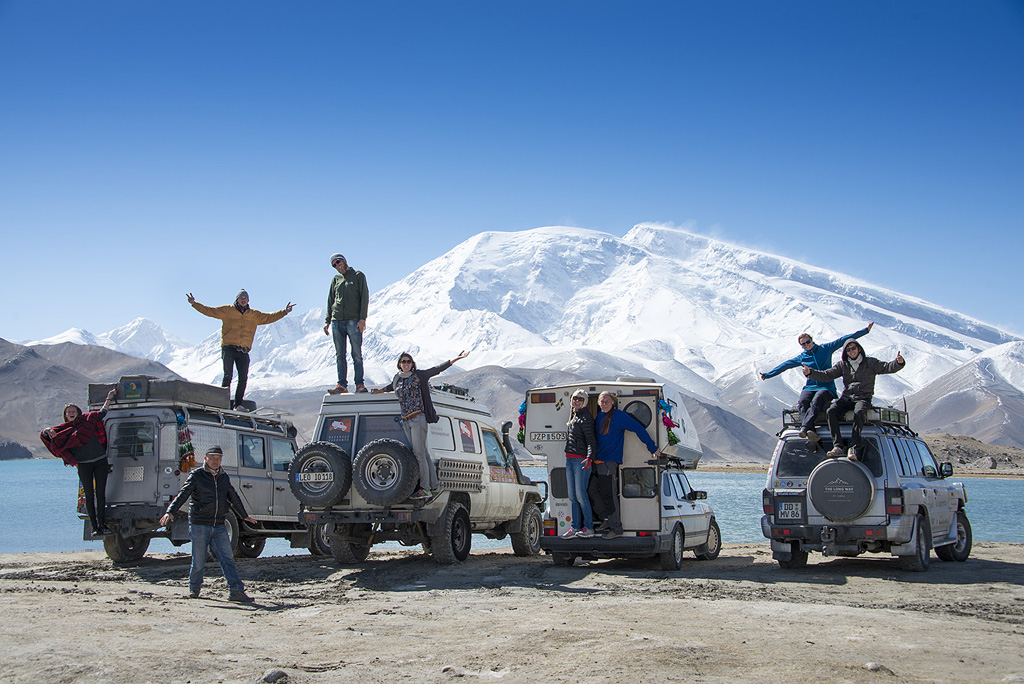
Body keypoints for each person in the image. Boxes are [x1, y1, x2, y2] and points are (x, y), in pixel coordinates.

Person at [160, 445, 257, 601]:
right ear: (205, 459)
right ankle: (194, 589)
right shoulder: (197, 475)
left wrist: (244, 515)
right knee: (198, 560)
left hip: (219, 525)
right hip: (199, 525)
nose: (215, 461)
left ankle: (236, 591)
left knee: (227, 558)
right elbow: (183, 494)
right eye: (212, 458)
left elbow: (233, 497)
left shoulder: (223, 477)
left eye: (218, 458)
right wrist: (170, 511)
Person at [374, 350, 471, 500]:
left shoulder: (419, 376)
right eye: (403, 361)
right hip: (406, 420)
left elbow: (437, 369)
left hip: (418, 418)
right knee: (423, 453)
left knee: (418, 454)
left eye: (408, 361)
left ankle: (425, 488)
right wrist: (378, 391)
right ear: (399, 364)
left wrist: (455, 359)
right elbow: (389, 388)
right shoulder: (397, 379)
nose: (406, 364)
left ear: (412, 364)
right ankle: (435, 486)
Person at [760, 322, 874, 444]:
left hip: (826, 386)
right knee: (803, 402)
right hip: (810, 386)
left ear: (812, 340)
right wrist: (768, 375)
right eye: (803, 344)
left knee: (817, 400)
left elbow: (843, 340)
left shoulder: (825, 349)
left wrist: (865, 331)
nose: (806, 345)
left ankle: (805, 428)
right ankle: (810, 431)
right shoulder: (802, 357)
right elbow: (785, 365)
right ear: (801, 346)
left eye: (808, 342)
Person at [188, 290, 294, 410]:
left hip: (243, 350)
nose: (243, 299)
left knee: (243, 378)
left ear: (248, 300)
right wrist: (194, 304)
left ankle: (238, 404)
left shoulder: (254, 315)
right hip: (228, 348)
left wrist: (284, 312)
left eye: (245, 298)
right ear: (237, 299)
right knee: (228, 375)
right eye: (241, 298)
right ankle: (223, 403)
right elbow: (210, 311)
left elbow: (269, 317)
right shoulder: (227, 311)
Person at [803, 340, 906, 461]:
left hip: (863, 397)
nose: (851, 351)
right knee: (831, 411)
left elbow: (887, 367)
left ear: (859, 349)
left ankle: (855, 446)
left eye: (853, 348)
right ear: (845, 352)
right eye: (848, 349)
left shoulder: (870, 363)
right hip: (847, 398)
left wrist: (899, 363)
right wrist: (811, 373)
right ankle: (838, 446)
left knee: (859, 412)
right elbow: (827, 375)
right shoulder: (843, 365)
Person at [40, 388, 117, 536]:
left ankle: (103, 525)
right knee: (89, 495)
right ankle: (94, 528)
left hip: (100, 461)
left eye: (73, 410)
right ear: (65, 415)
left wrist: (109, 398)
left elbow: (102, 412)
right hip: (83, 465)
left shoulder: (88, 420)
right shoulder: (63, 430)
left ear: (78, 411)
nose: (71, 412)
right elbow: (45, 436)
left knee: (101, 494)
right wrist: (47, 429)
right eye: (68, 411)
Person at [592, 391, 661, 540]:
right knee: (592, 490)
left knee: (609, 495)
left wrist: (652, 447)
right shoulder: (599, 417)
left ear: (613, 403)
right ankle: (606, 519)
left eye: (607, 401)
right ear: (598, 402)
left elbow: (638, 428)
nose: (604, 404)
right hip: (597, 462)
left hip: (609, 462)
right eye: (602, 401)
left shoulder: (619, 416)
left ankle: (616, 527)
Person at [323, 253, 370, 394]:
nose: (337, 266)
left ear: (344, 260)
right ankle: (341, 385)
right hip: (337, 321)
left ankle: (359, 384)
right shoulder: (335, 279)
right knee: (339, 355)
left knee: (356, 353)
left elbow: (364, 297)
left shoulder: (358, 275)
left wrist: (362, 319)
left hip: (353, 320)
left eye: (338, 262)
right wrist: (327, 321)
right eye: (334, 265)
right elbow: (330, 300)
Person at [562, 389, 597, 539]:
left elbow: (591, 441)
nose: (577, 401)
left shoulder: (586, 418)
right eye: (575, 398)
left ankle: (588, 527)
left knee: (581, 495)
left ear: (585, 402)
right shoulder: (574, 415)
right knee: (572, 496)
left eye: (580, 399)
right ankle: (575, 527)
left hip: (580, 460)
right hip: (569, 459)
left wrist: (589, 458)